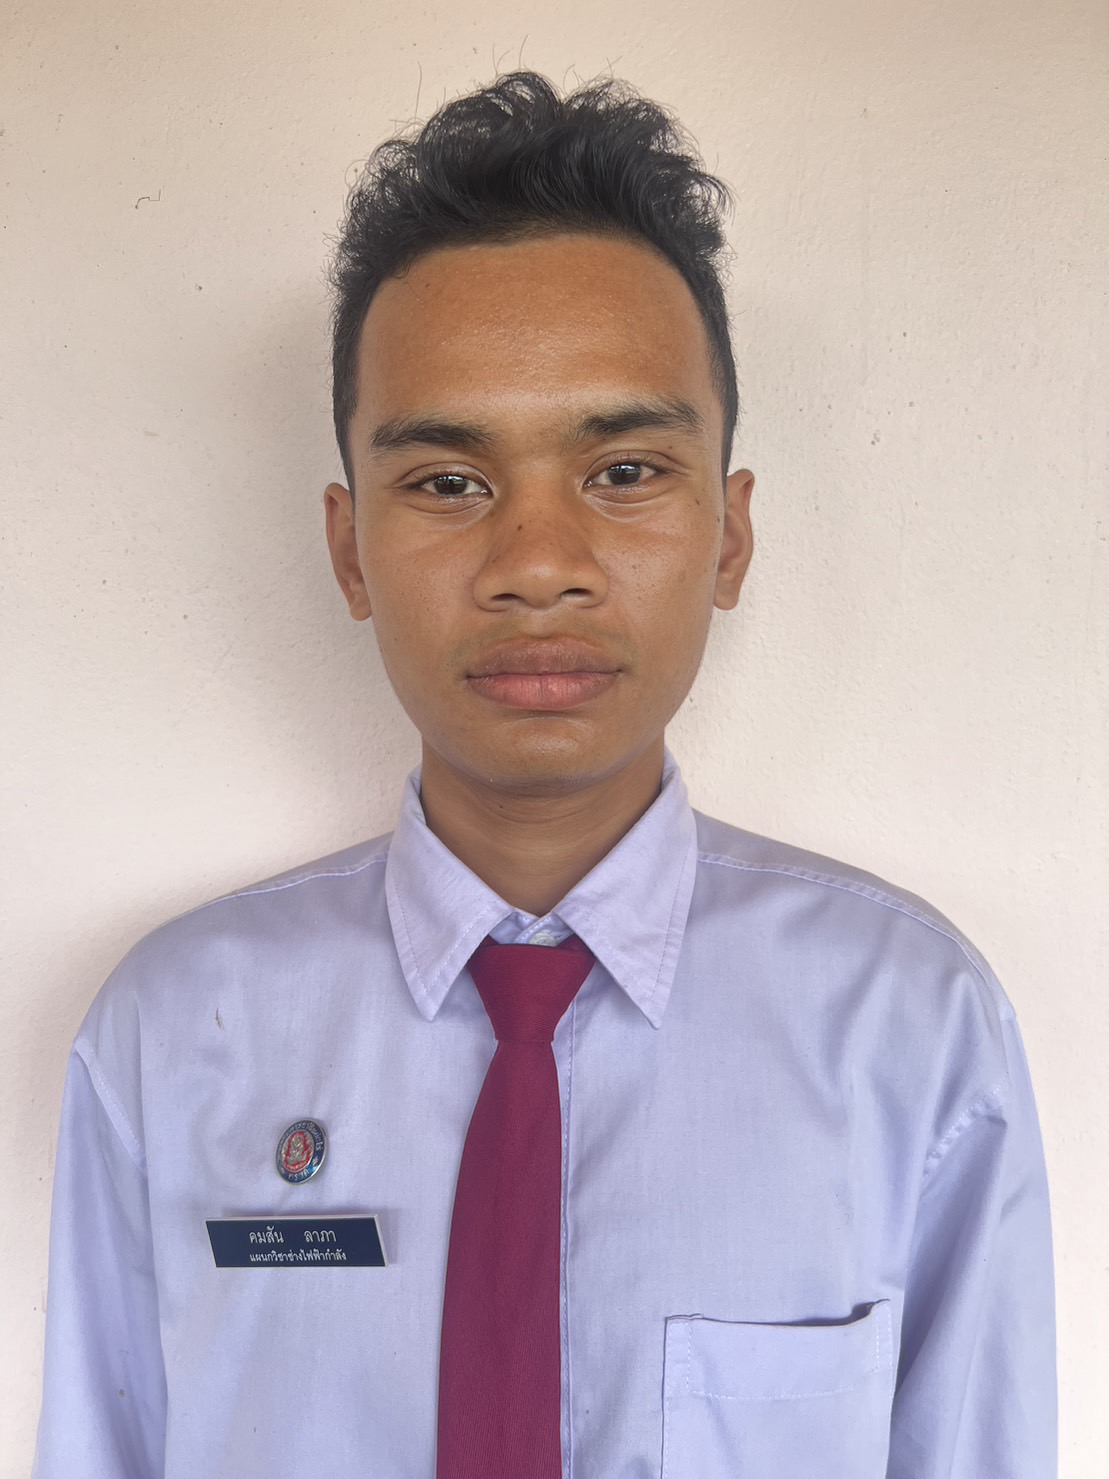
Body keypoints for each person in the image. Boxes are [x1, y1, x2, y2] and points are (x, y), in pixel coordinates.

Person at [33, 72, 1056, 1478]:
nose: (535, 565)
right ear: (347, 549)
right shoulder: (174, 1032)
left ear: (729, 536)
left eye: (624, 471)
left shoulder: (907, 1027)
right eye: (448, 482)